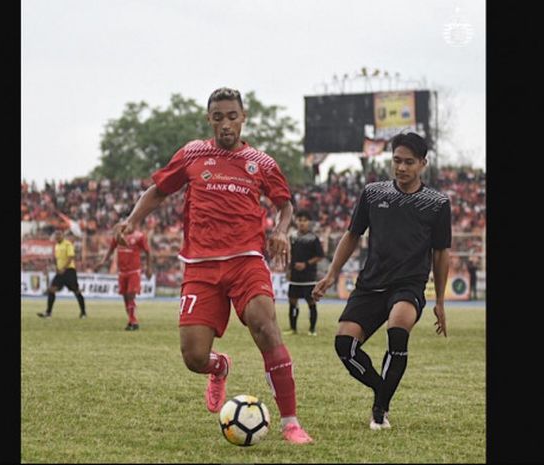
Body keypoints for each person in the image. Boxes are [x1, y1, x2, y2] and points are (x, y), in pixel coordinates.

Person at [114, 87, 312, 444]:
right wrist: (132, 222)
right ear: (209, 119)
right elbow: (158, 191)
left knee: (264, 325)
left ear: (243, 117)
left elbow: (285, 205)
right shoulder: (192, 153)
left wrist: (282, 231)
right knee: (193, 356)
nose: (225, 124)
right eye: (218, 117)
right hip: (200, 266)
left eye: (232, 116)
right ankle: (219, 366)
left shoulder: (262, 162)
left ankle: (291, 423)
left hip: (246, 261)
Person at [312, 132, 451, 431]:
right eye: (397, 161)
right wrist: (331, 274)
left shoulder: (438, 203)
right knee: (344, 346)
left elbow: (441, 254)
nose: (401, 168)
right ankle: (381, 389)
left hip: (408, 286)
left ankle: (380, 409)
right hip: (371, 284)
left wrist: (439, 301)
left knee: (397, 330)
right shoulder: (373, 193)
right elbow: (352, 236)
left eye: (409, 162)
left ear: (423, 164)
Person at [96, 224, 153, 330]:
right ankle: (132, 320)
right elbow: (110, 250)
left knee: (131, 295)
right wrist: (103, 262)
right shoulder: (118, 237)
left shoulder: (139, 237)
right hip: (122, 272)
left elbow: (148, 252)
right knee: (125, 297)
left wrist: (149, 268)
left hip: (134, 271)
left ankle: (132, 321)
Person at [285, 210, 324, 336]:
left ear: (309, 223)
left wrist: (306, 264)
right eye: (299, 220)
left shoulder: (313, 238)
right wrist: (289, 269)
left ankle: (312, 329)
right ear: (296, 221)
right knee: (292, 300)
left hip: (308, 276)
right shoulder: (293, 237)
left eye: (304, 220)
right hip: (295, 276)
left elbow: (320, 256)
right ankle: (293, 328)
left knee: (311, 302)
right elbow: (289, 254)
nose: (302, 223)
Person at [37, 230, 87, 319]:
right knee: (51, 290)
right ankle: (48, 313)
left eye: (59, 235)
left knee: (76, 291)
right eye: (56, 236)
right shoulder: (56, 246)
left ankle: (83, 313)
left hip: (69, 271)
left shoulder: (68, 244)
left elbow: (71, 257)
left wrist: (64, 268)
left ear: (63, 235)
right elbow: (57, 259)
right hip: (60, 272)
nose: (57, 237)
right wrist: (56, 267)